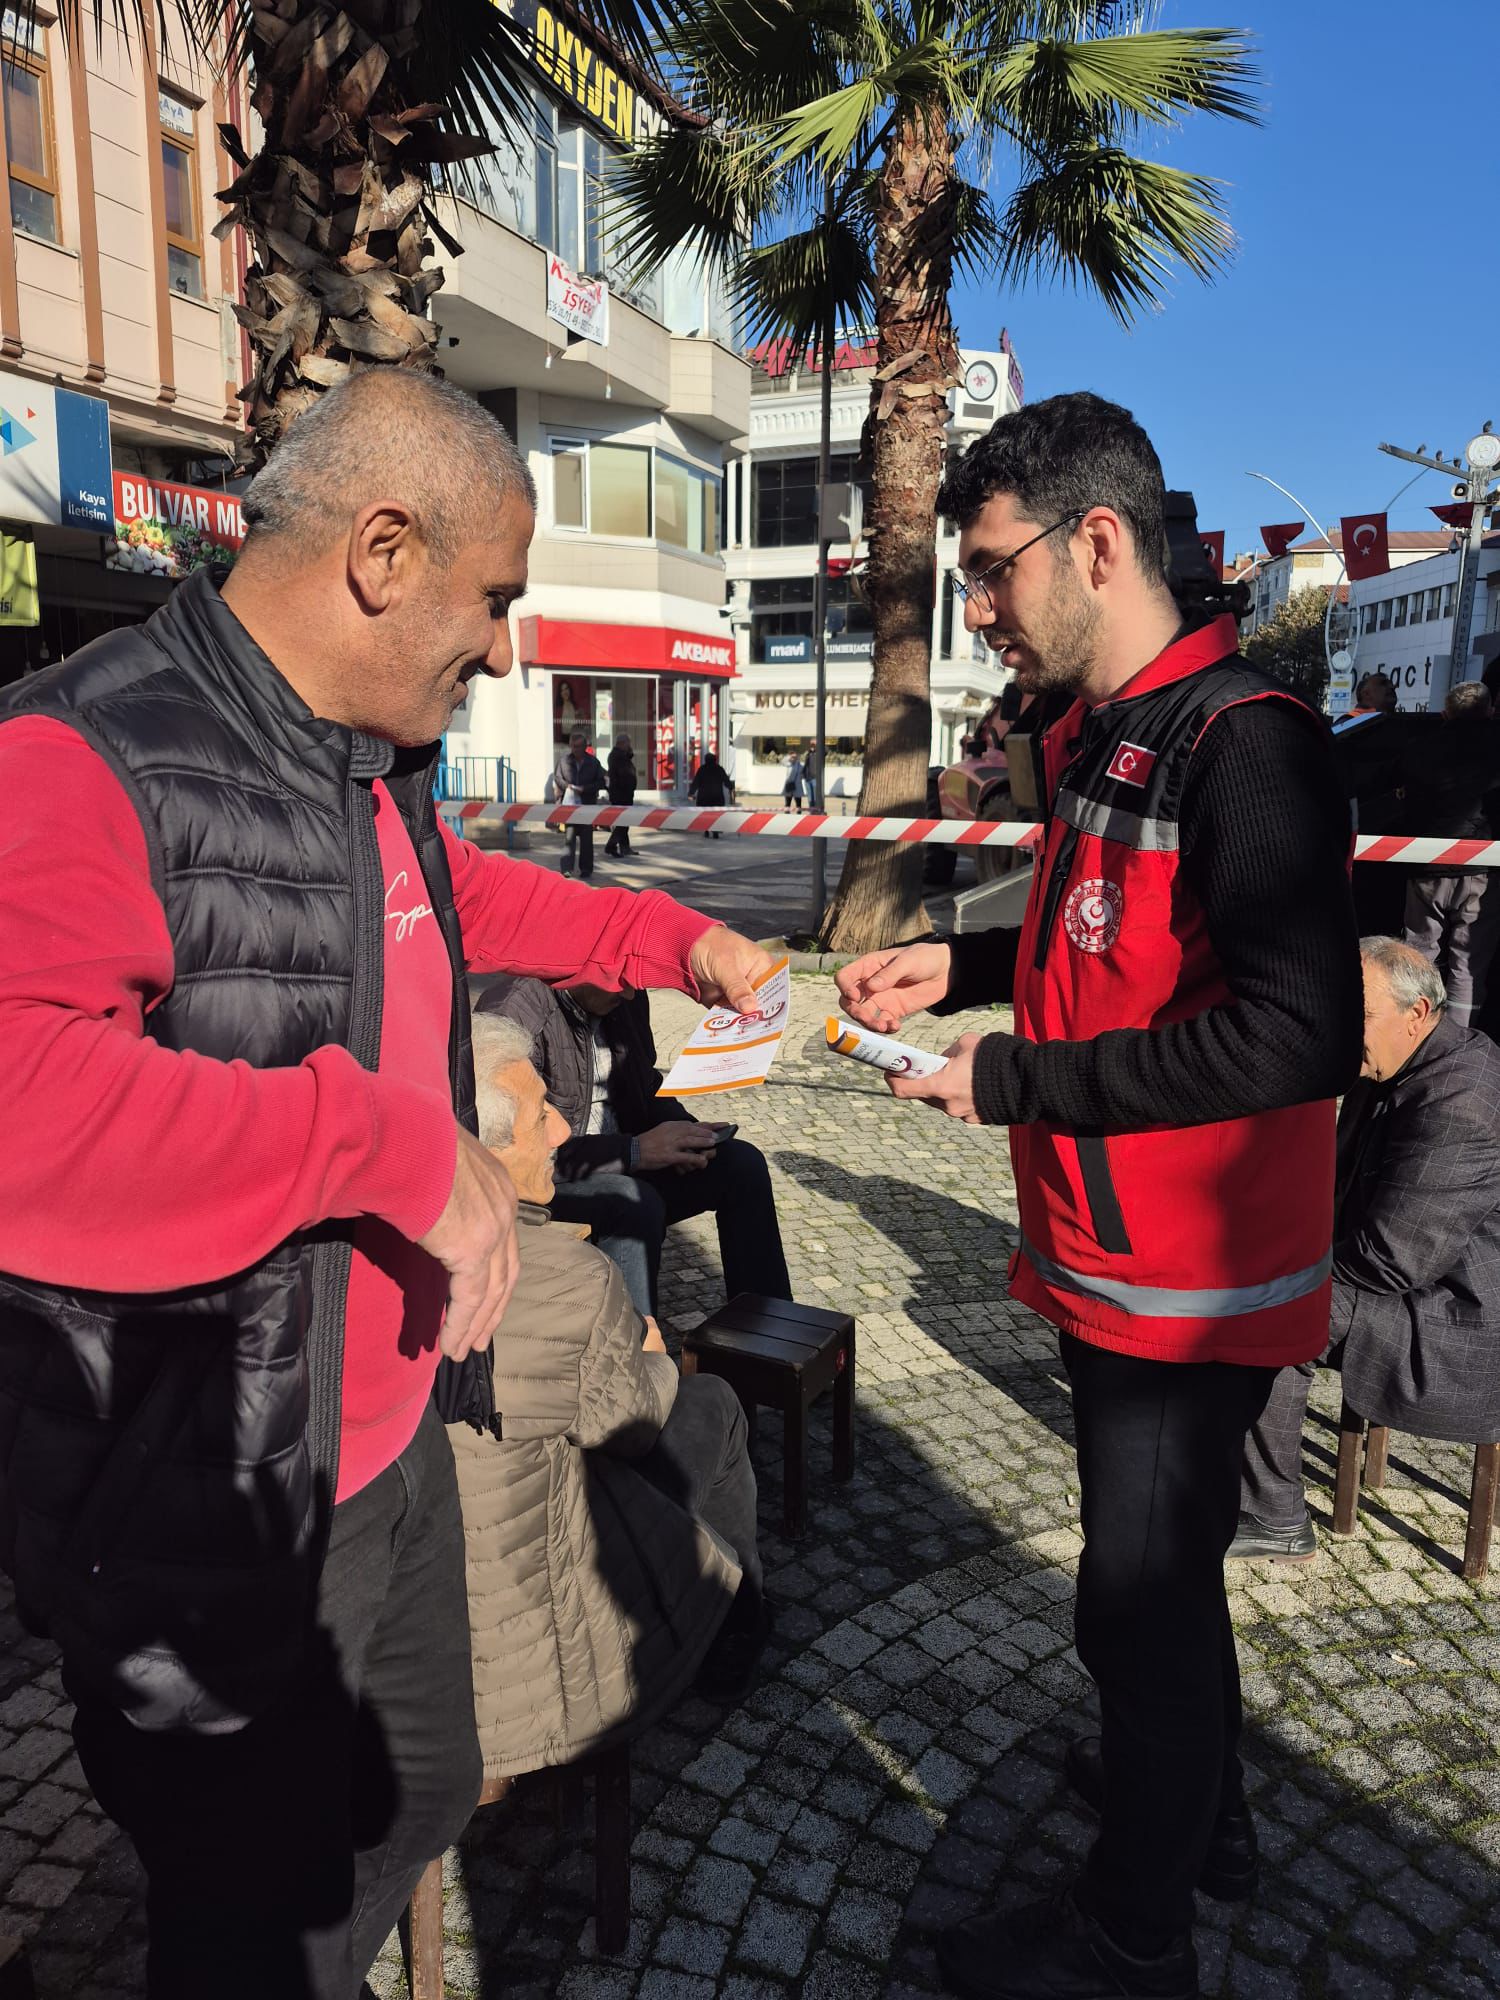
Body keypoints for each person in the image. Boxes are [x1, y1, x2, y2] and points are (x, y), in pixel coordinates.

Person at [0, 368, 773, 2000]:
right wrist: (391, 1147)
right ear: (383, 550)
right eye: (494, 599)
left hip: (392, 1438)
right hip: (218, 1502)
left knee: (421, 1791)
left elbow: (450, 897)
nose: (503, 648)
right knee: (249, 1925)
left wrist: (670, 938)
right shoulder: (79, 752)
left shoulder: (365, 762)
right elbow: (25, 1107)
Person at [835, 391, 1361, 2000]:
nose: (981, 609)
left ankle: (1135, 1939)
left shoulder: (1247, 742)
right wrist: (964, 964)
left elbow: (1296, 1032)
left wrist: (1013, 1080)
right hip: (1123, 1255)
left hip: (1190, 1282)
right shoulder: (1116, 727)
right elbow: (1104, 932)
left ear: (1100, 542)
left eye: (993, 571)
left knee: (1134, 1605)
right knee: (1162, 1593)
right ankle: (1200, 1819)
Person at [447, 1012, 770, 1761]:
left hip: (452, 1566)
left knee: (730, 1169)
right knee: (711, 1403)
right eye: (540, 1117)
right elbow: (633, 1423)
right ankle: (738, 1623)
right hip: (540, 1629)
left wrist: (680, 1132)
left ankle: (762, 1318)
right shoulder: (563, 1273)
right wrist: (651, 1355)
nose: (558, 1127)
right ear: (482, 1152)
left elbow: (641, 1088)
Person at [1238, 938, 1500, 1556]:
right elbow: (1337, 1189)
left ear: (1417, 1014)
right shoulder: (1396, 1060)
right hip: (1418, 1278)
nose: (1338, 1031)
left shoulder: (1459, 1098)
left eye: (1357, 1015)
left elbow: (1393, 1259)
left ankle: (1272, 1516)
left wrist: (1286, 1269)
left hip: (1457, 1314)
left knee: (1277, 1311)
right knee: (1254, 1269)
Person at [479, 973, 792, 1318]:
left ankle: (767, 1329)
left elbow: (646, 1086)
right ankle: (636, 1342)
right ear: (584, 962)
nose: (630, 994)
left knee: (741, 1164)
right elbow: (506, 1148)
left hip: (626, 1158)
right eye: (621, 980)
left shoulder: (625, 997)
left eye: (635, 981)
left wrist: (684, 1134)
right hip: (545, 1185)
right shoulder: (515, 1010)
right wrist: (634, 1151)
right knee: (632, 1201)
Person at [1400, 681, 1500, 1028]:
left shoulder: (1421, 747)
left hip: (1427, 866)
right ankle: (1459, 1038)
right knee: (1467, 964)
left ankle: (1414, 1030)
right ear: (1489, 711)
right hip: (1482, 869)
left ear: (1446, 712)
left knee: (1419, 954)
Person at [556, 725, 606, 878]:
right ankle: (566, 868)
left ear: (585, 747)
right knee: (569, 838)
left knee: (586, 840)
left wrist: (585, 789)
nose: (575, 749)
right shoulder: (564, 761)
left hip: (587, 806)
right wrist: (567, 786)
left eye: (578, 746)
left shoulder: (593, 763)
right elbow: (558, 778)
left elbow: (601, 782)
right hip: (570, 806)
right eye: (573, 746)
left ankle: (586, 869)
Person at [604, 731, 636, 859]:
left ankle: (625, 847)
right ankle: (611, 845)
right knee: (623, 822)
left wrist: (629, 753)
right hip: (621, 794)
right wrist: (627, 787)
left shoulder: (620, 755)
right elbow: (624, 774)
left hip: (623, 793)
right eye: (628, 743)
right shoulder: (617, 756)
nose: (629, 746)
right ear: (622, 743)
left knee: (624, 821)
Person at [689, 748, 732, 836]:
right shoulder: (719, 769)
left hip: (704, 797)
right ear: (715, 760)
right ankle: (715, 831)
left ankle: (706, 830)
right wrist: (731, 788)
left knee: (705, 814)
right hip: (717, 797)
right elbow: (726, 780)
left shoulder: (702, 769)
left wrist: (691, 793)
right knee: (716, 814)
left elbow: (696, 782)